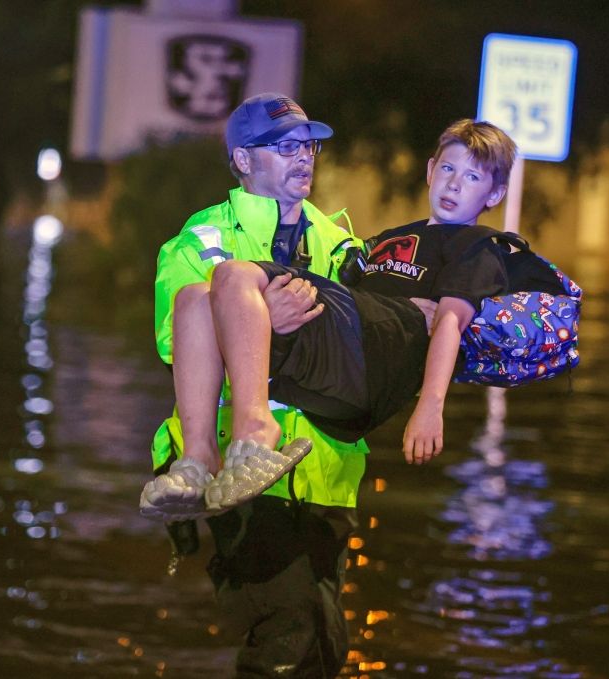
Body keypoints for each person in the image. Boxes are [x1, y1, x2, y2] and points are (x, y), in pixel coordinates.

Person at [148, 117, 517, 512]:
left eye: (473, 177)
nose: (455, 183)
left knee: (235, 275)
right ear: (430, 170)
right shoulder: (386, 241)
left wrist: (430, 407)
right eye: (448, 168)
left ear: (495, 194)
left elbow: (447, 324)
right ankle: (199, 460)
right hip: (330, 364)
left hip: (362, 373)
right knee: (193, 298)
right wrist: (267, 318)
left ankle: (254, 431)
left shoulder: (477, 247)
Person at [149, 92, 372, 678]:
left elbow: (361, 344)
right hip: (237, 471)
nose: (303, 157)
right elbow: (177, 340)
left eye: (308, 145)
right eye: (284, 147)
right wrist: (264, 320)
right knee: (287, 631)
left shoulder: (341, 244)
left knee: (324, 639)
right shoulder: (204, 239)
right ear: (243, 161)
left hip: (326, 471)